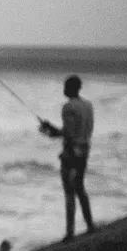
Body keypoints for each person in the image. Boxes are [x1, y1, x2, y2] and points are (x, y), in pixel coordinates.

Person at [39, 75, 96, 241]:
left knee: (69, 192)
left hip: (72, 153)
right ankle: (90, 225)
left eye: (65, 86)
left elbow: (69, 134)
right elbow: (82, 130)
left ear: (71, 88)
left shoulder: (68, 107)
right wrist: (52, 129)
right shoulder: (88, 105)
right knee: (80, 188)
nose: (63, 89)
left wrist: (50, 132)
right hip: (84, 150)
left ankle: (70, 232)